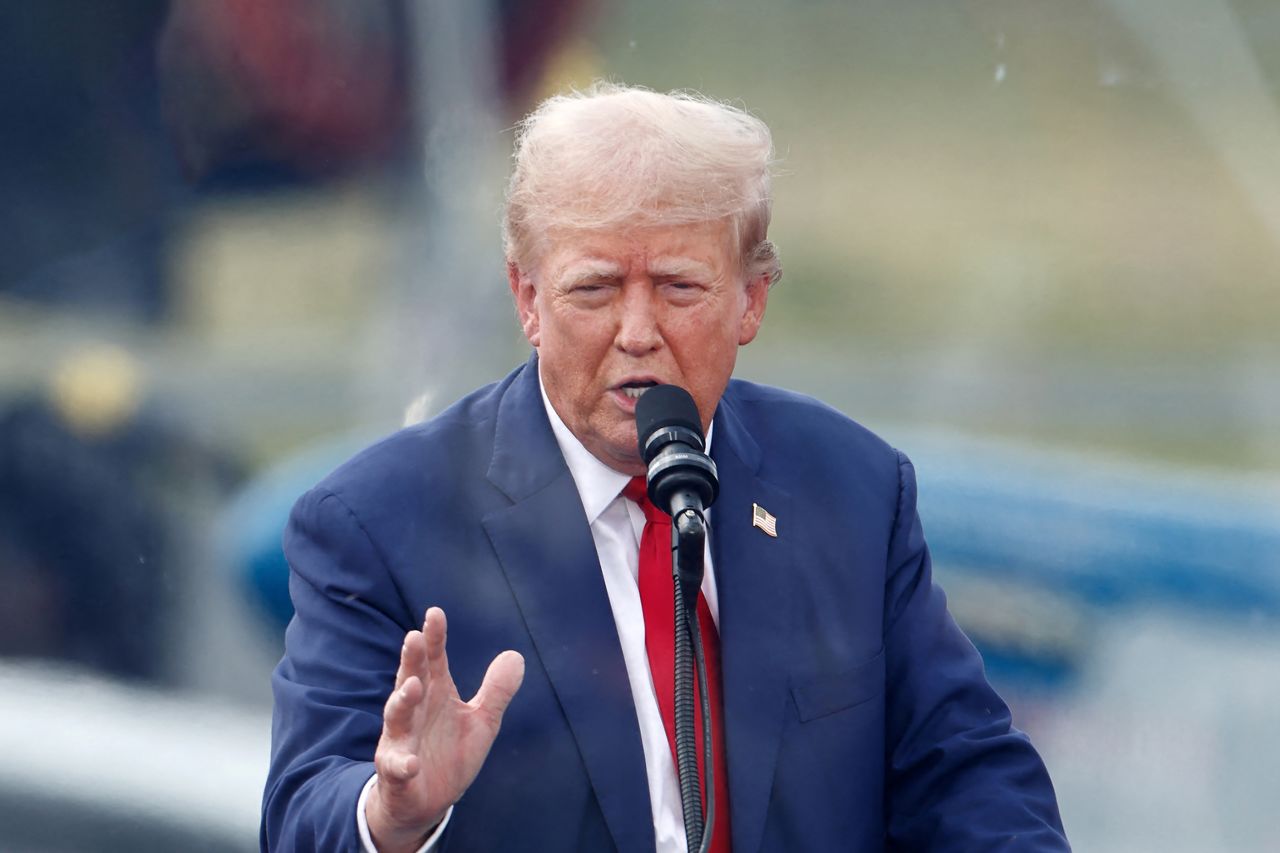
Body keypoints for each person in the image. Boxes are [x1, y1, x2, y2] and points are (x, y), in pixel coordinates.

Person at [262, 83, 1069, 852]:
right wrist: (393, 812)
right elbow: (302, 813)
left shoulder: (851, 488)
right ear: (528, 299)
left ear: (750, 300)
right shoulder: (379, 519)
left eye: (679, 287)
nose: (637, 331)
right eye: (596, 288)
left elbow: (967, 774)